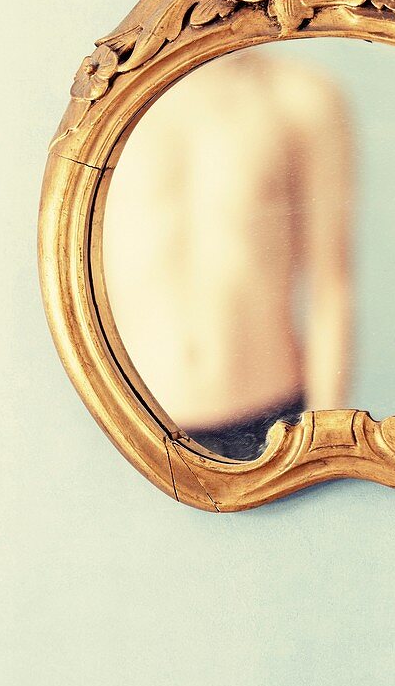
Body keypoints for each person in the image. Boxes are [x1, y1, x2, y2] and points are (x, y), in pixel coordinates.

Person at [103, 49, 353, 460]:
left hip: (266, 415)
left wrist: (322, 446)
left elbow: (332, 283)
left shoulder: (301, 98)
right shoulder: (111, 104)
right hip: (127, 418)